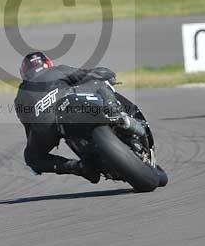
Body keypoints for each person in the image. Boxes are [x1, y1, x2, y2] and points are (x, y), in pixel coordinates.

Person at [14, 51, 126, 184]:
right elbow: (90, 74)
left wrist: (36, 147)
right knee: (97, 81)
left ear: (24, 73)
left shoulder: (21, 94)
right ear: (48, 63)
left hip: (46, 127)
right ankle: (113, 110)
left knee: (31, 157)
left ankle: (79, 168)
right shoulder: (57, 70)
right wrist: (108, 74)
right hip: (71, 107)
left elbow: (29, 127)